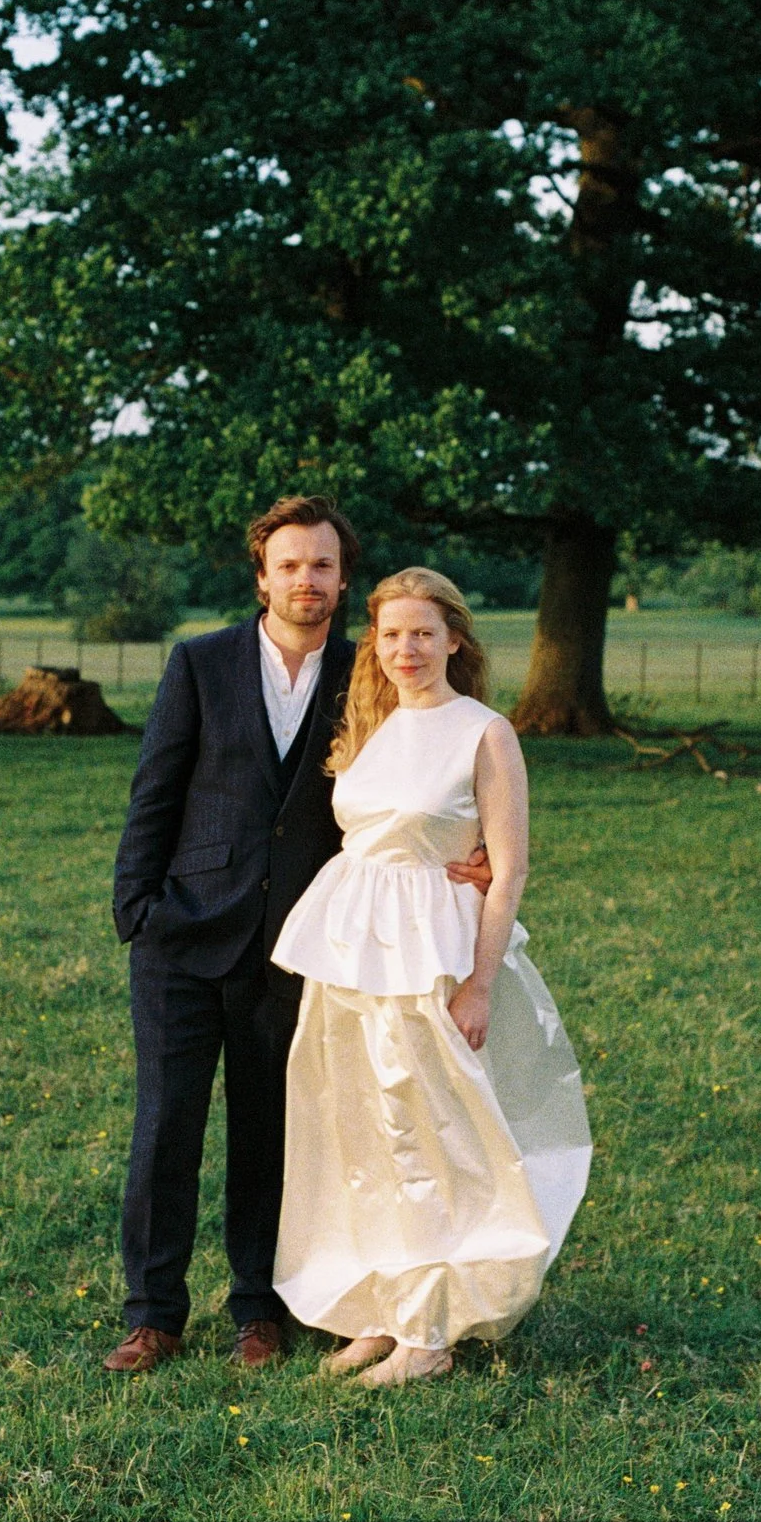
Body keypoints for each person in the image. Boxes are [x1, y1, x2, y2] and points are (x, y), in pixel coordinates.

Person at [105, 501, 492, 1373]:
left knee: (274, 1131)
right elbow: (155, 790)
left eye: (321, 565)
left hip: (301, 946)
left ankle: (260, 1309)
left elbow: (428, 769)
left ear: (343, 580)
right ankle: (153, 1314)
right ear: (262, 577)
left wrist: (467, 854)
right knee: (165, 1129)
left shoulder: (371, 671)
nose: (305, 580)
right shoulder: (200, 662)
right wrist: (137, 908)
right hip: (182, 934)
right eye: (289, 565)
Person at [269, 567, 592, 1387]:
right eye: (390, 634)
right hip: (351, 952)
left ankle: (429, 1332)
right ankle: (378, 1308)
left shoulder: (484, 733)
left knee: (425, 1133)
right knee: (358, 1129)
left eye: (422, 632)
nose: (405, 648)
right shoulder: (371, 723)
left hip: (431, 956)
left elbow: (509, 869)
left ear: (454, 639)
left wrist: (477, 983)